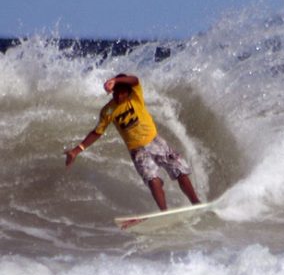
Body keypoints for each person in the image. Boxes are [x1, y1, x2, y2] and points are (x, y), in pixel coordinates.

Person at [65, 74, 201, 210]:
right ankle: (164, 212)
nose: (118, 96)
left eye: (121, 93)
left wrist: (115, 80)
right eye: (115, 93)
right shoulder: (108, 110)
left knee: (180, 172)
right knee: (153, 181)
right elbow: (97, 132)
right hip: (138, 152)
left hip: (156, 143)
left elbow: (134, 80)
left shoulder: (135, 95)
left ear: (128, 91)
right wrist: (76, 151)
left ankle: (196, 203)